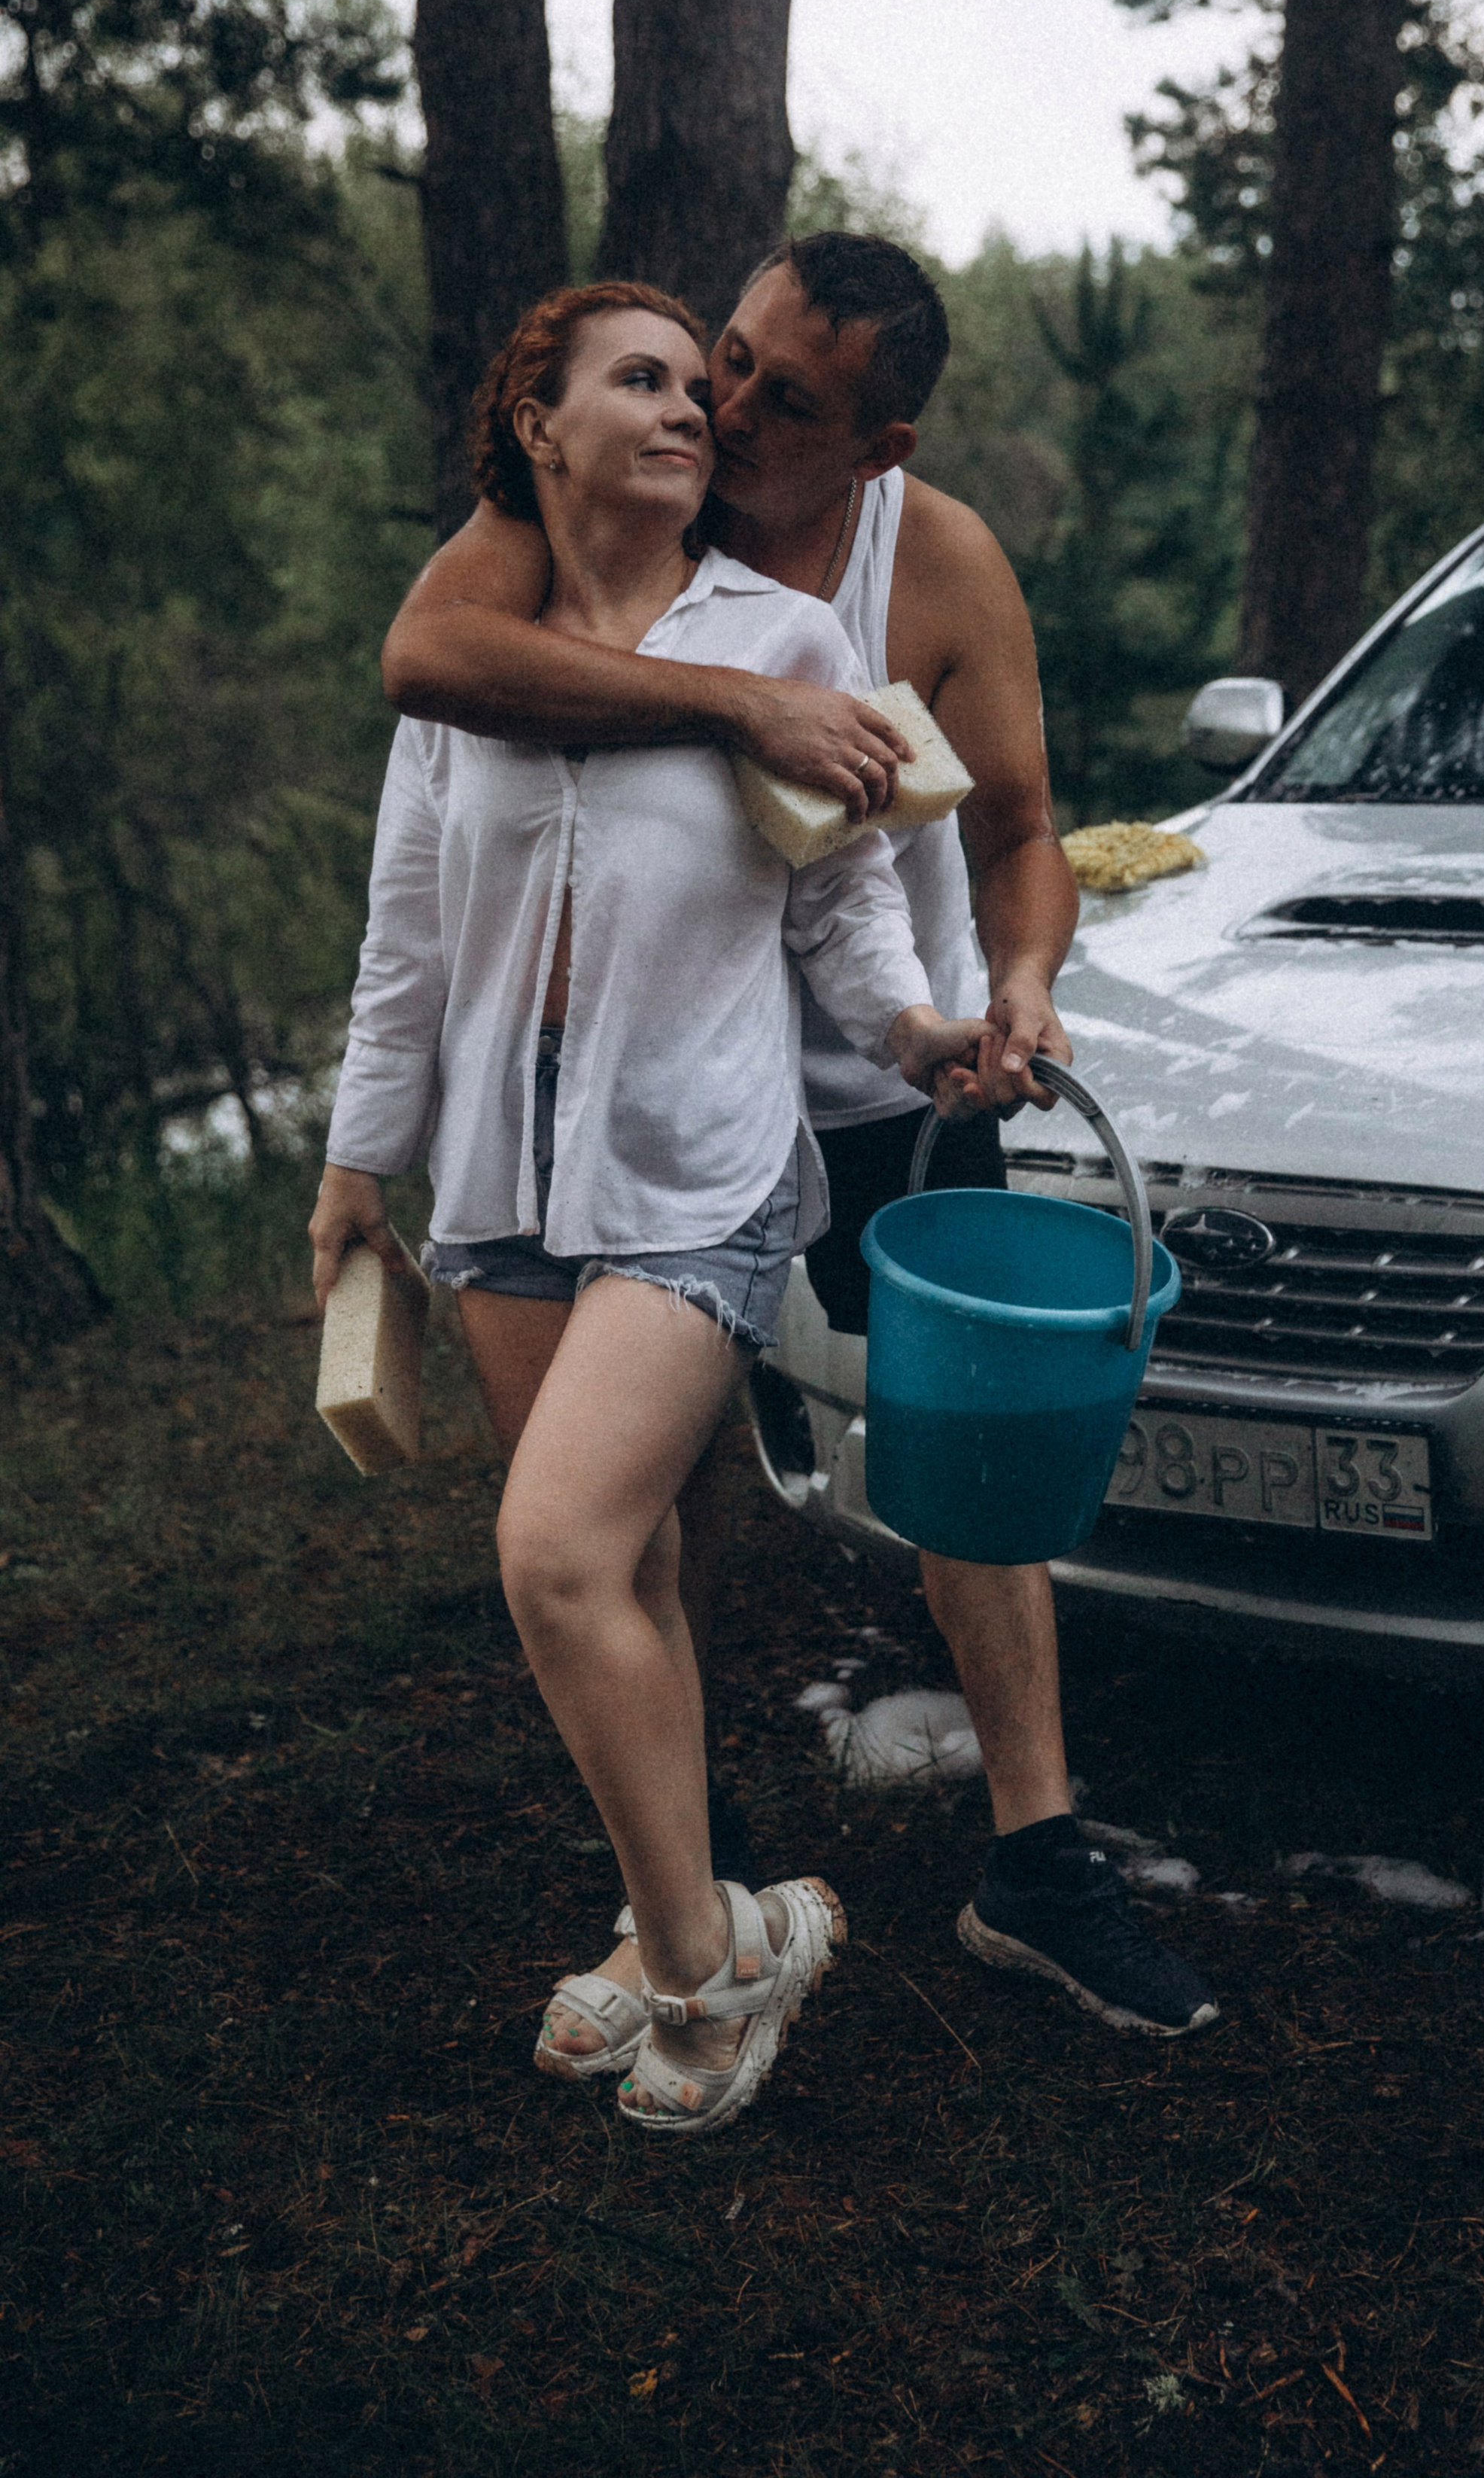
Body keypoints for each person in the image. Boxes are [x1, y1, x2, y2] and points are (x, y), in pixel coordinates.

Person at [382, 232, 1218, 2043]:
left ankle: (1038, 1860)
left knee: (969, 1461)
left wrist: (1015, 987)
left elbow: (1015, 826)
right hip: (633, 1095)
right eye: (727, 358)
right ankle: (693, 1882)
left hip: (873, 1068)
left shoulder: (934, 564)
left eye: (785, 395)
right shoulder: (568, 521)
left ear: (885, 440)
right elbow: (430, 654)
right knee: (621, 1514)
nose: (730, 403)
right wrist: (749, 701)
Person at [309, 279, 995, 2135]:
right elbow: (405, 932)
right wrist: (356, 1161)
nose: (696, 408)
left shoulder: (784, 641)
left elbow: (847, 920)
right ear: (536, 423)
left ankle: (709, 1971)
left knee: (549, 1554)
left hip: (695, 1179)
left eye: (704, 385)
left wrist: (925, 1030)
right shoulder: (475, 645)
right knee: (631, 1570)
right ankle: (690, 1913)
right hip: (501, 1190)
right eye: (644, 380)